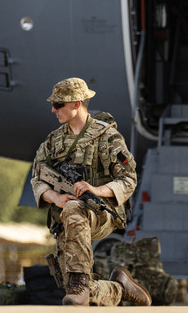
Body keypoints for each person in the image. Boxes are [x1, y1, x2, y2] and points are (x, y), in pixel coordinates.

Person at [30, 77, 151, 307]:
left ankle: (80, 282)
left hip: (101, 213)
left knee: (74, 207)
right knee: (75, 294)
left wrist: (96, 190)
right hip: (67, 219)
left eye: (59, 104)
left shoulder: (107, 137)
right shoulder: (53, 141)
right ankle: (119, 288)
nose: (53, 109)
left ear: (76, 104)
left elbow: (128, 179)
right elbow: (37, 177)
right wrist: (55, 196)